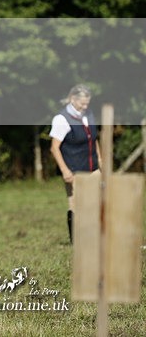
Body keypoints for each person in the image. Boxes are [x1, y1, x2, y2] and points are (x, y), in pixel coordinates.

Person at [48, 84, 102, 244]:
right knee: (76, 203)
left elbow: (93, 138)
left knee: (98, 200)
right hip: (74, 168)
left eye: (87, 103)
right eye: (82, 103)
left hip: (92, 166)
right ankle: (76, 240)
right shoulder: (61, 119)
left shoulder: (88, 114)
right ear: (73, 99)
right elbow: (54, 148)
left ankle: (95, 235)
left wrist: (100, 159)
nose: (85, 106)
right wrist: (65, 170)